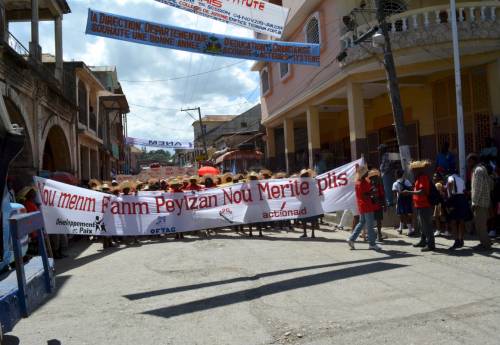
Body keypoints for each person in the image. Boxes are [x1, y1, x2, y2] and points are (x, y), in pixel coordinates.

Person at [346, 165, 382, 251]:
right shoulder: (363, 182)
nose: (367, 173)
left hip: (362, 205)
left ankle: (351, 239)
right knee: (370, 225)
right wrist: (372, 192)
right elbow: (366, 194)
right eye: (366, 172)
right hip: (367, 205)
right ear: (363, 174)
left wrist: (371, 191)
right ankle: (372, 244)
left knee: (361, 223)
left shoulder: (358, 182)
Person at [407, 160, 435, 251]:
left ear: (417, 170)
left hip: (424, 205)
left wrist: (409, 192)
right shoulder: (419, 178)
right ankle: (423, 241)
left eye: (413, 170)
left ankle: (431, 244)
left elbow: (422, 192)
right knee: (422, 224)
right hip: (419, 205)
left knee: (427, 225)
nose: (412, 171)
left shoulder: (422, 177)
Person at [468, 153, 493, 250]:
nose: (468, 163)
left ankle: (485, 245)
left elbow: (478, 188)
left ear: (474, 161)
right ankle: (485, 242)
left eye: (469, 161)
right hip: (484, 201)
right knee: (481, 224)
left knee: (480, 225)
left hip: (479, 202)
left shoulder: (478, 170)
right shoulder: (481, 169)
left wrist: (474, 202)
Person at [446, 169, 469, 250]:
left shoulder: (450, 177)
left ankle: (456, 241)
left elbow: (450, 182)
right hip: (462, 199)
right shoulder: (461, 180)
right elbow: (464, 190)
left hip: (455, 198)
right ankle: (461, 239)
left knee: (453, 221)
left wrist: (450, 195)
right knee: (461, 220)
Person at [392, 169, 414, 236]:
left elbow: (395, 194)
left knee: (402, 215)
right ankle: (401, 228)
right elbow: (411, 189)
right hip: (407, 200)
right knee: (406, 215)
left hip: (400, 201)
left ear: (396, 175)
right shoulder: (406, 181)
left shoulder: (395, 183)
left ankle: (409, 230)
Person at [367, 169, 386, 242]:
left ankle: (379, 235)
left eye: (377, 177)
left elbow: (382, 196)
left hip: (378, 206)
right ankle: (371, 235)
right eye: (374, 178)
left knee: (379, 221)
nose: (376, 179)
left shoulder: (379, 186)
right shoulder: (368, 186)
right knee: (370, 222)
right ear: (371, 179)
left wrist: (384, 205)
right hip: (370, 207)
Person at [432, 173, 450, 238]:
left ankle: (441, 230)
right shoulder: (441, 184)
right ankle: (444, 231)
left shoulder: (438, 184)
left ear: (438, 178)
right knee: (441, 217)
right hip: (441, 202)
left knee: (440, 217)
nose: (434, 178)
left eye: (435, 176)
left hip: (440, 202)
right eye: (434, 176)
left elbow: (438, 194)